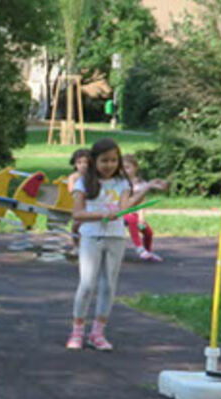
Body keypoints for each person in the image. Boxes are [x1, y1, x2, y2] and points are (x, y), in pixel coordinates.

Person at [67, 138, 141, 350]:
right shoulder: (83, 183)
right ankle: (77, 331)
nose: (109, 165)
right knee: (87, 284)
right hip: (91, 236)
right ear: (94, 161)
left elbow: (125, 207)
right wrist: (102, 214)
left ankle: (98, 333)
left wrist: (146, 189)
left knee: (108, 284)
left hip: (116, 237)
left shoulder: (122, 183)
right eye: (104, 160)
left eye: (114, 160)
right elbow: (77, 213)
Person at [121, 154, 165, 262]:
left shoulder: (141, 184)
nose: (124, 171)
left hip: (135, 213)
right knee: (131, 219)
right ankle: (139, 249)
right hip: (122, 213)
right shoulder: (120, 183)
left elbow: (142, 203)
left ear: (135, 167)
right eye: (122, 168)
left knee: (148, 232)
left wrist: (141, 217)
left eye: (127, 167)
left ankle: (148, 252)